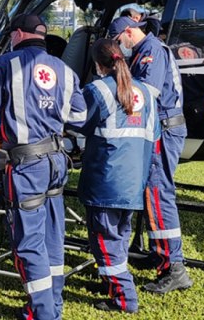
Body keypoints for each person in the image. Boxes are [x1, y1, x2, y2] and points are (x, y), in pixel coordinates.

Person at [0, 13, 87, 320]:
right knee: (53, 235)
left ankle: (43, 314)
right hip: (57, 161)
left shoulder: (6, 64)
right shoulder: (65, 70)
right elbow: (80, 119)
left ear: (17, 34)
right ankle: (52, 304)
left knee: (29, 241)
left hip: (27, 164)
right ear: (42, 35)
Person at [108, 16, 193, 294]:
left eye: (119, 42)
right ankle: (161, 255)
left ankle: (174, 268)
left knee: (158, 195)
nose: (119, 49)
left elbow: (146, 93)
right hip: (159, 128)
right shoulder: (146, 50)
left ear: (129, 32)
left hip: (164, 130)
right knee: (152, 194)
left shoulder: (151, 50)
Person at [76, 39, 159, 314]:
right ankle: (111, 283)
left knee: (104, 241)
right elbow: (154, 136)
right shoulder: (146, 92)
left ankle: (124, 297)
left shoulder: (97, 89)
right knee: (119, 237)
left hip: (105, 181)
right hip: (134, 181)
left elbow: (78, 123)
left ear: (98, 64)